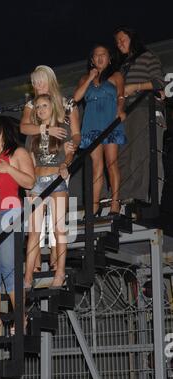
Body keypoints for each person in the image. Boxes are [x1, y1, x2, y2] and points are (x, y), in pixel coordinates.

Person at [20, 65, 81, 271]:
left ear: (51, 81)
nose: (38, 86)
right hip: (36, 162)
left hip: (60, 161)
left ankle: (56, 263)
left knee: (57, 222)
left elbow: (76, 132)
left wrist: (73, 146)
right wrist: (46, 128)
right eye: (35, 83)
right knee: (34, 224)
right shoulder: (31, 104)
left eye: (41, 81)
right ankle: (34, 266)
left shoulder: (67, 103)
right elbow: (23, 127)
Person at [0, 115, 35, 335]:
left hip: (10, 210)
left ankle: (20, 316)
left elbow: (30, 182)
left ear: (2, 130)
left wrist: (9, 169)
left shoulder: (17, 152)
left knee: (8, 264)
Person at [24, 93, 74, 289]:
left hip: (56, 181)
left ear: (52, 107)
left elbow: (70, 152)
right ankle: (27, 277)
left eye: (44, 106)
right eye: (38, 107)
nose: (41, 110)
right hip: (37, 182)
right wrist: (29, 185)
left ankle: (59, 273)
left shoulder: (63, 128)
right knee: (33, 231)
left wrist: (65, 164)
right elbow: (30, 159)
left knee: (59, 229)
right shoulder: (33, 133)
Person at [114, 27, 166, 202]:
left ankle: (139, 197)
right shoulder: (121, 66)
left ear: (133, 39)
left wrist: (135, 87)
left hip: (144, 108)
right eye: (117, 42)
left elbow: (158, 82)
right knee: (123, 155)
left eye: (123, 39)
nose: (120, 44)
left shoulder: (147, 57)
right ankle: (124, 195)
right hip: (126, 113)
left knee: (140, 154)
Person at [74, 44, 126, 216]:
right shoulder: (84, 79)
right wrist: (90, 78)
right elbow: (76, 98)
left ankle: (115, 203)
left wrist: (120, 110)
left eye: (103, 54)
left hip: (110, 123)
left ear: (109, 58)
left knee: (111, 163)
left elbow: (121, 96)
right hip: (91, 126)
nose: (100, 58)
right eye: (96, 55)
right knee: (97, 166)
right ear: (92, 60)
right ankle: (94, 205)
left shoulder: (116, 75)